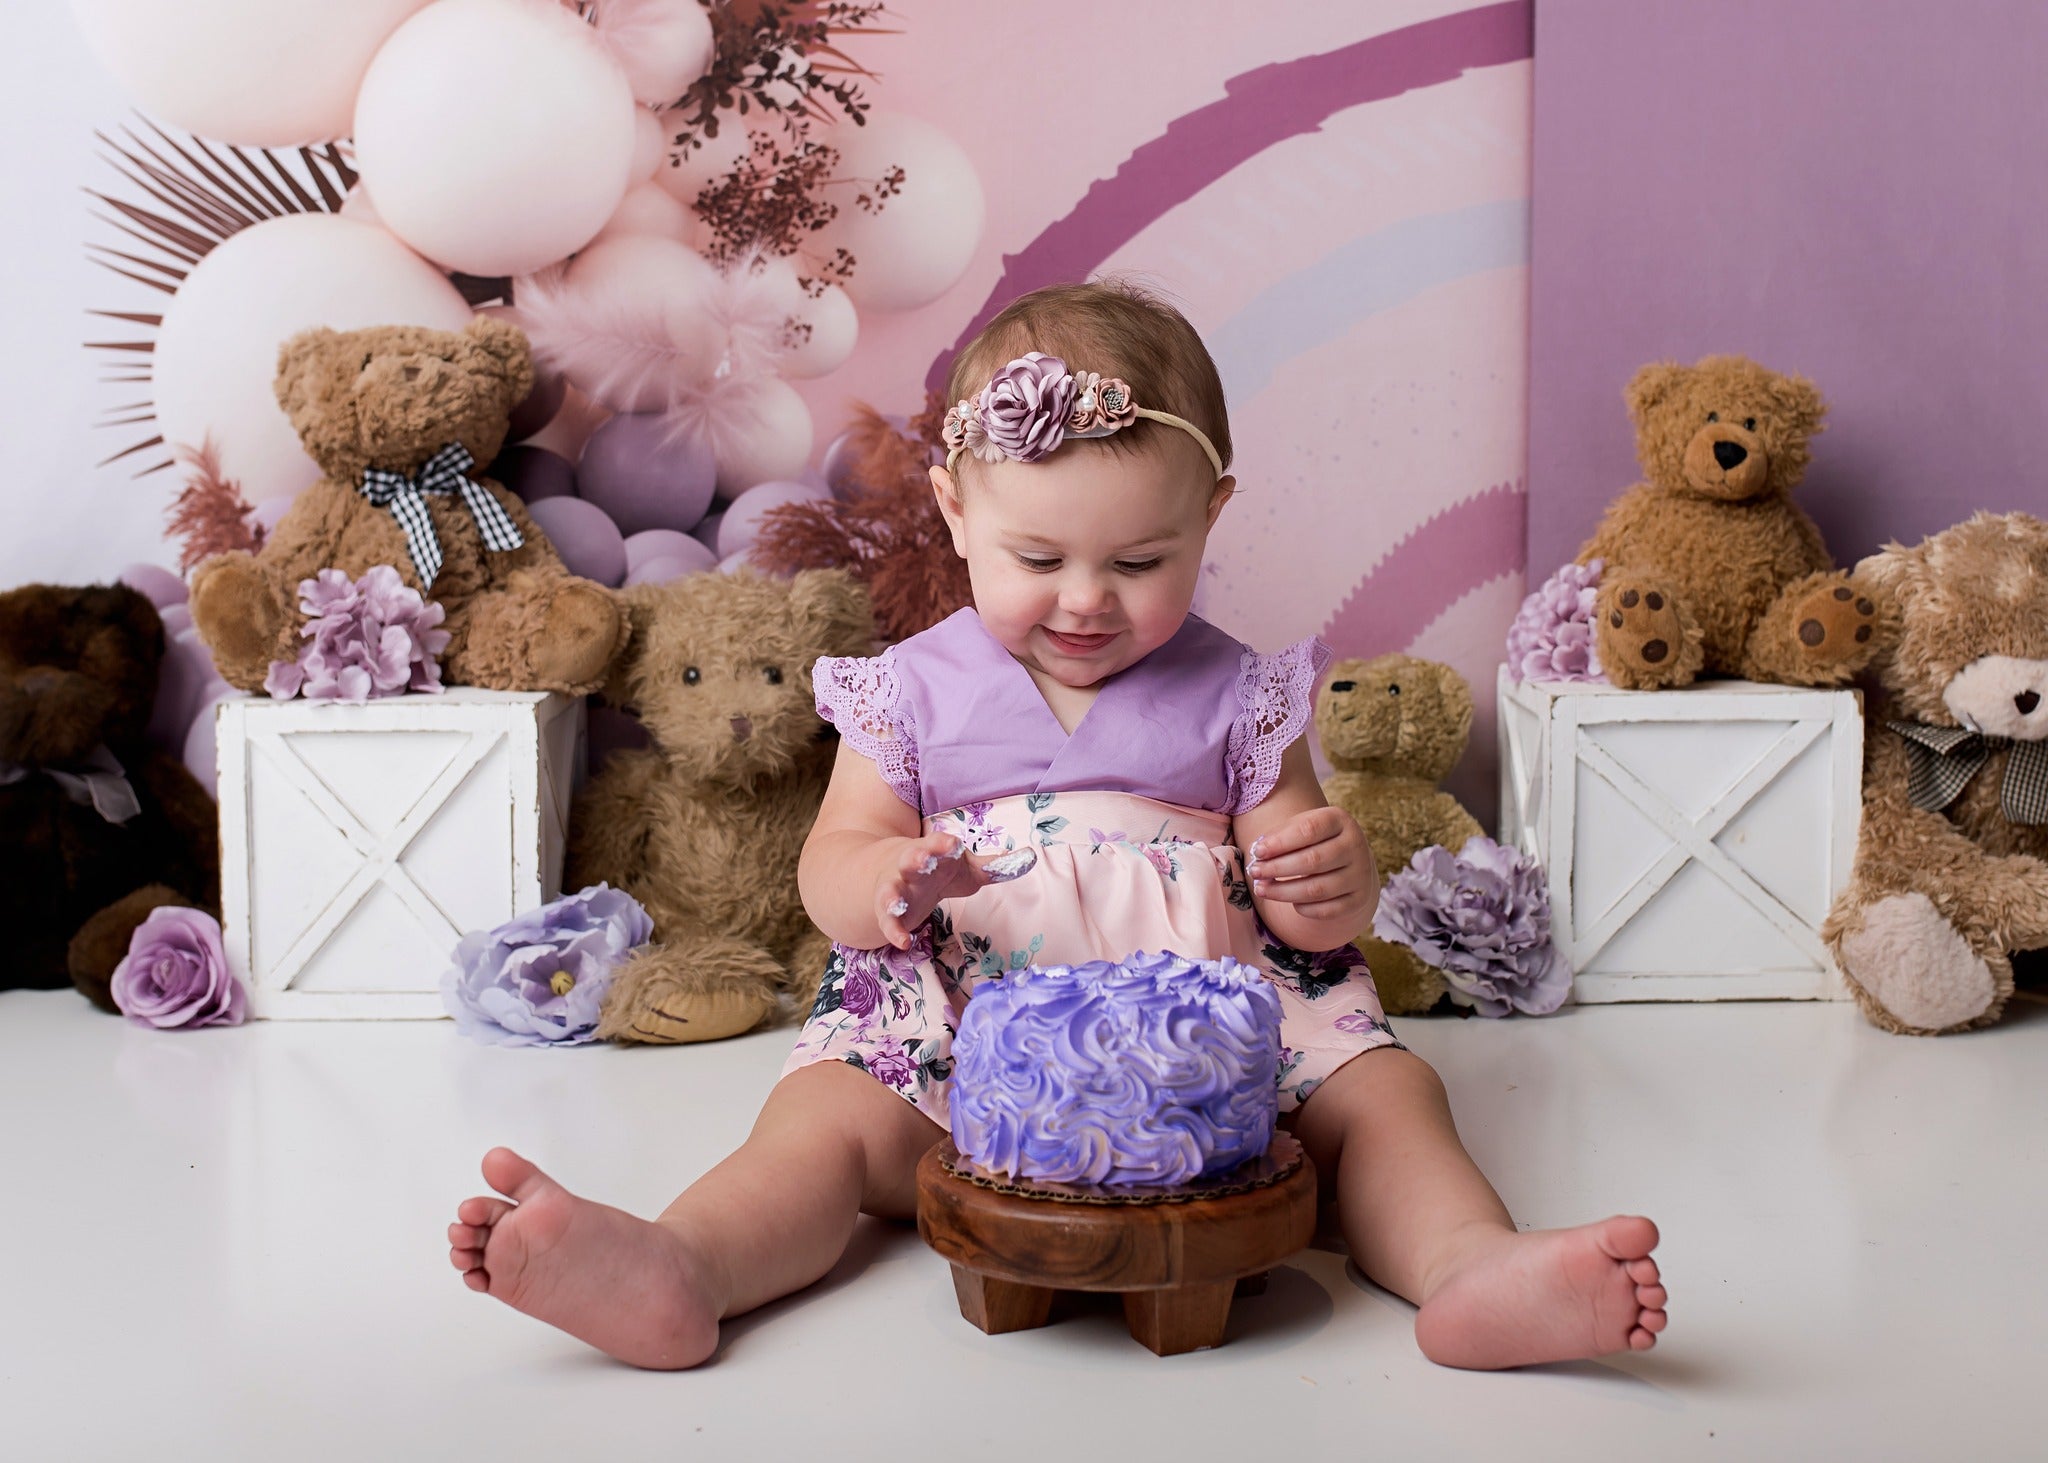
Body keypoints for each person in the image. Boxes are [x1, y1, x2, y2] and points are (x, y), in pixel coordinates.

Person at [446, 281, 1667, 1371]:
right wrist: (882, 875)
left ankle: (1466, 1265)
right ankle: (681, 1265)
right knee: (818, 1126)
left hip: (1218, 1005)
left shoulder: (1244, 692)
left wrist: (1323, 874)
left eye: (1141, 558)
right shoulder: (908, 687)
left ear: (1211, 516)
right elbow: (829, 859)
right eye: (1038, 554)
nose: (1085, 600)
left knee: (1385, 1101)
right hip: (967, 1006)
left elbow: (1302, 901)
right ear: (955, 511)